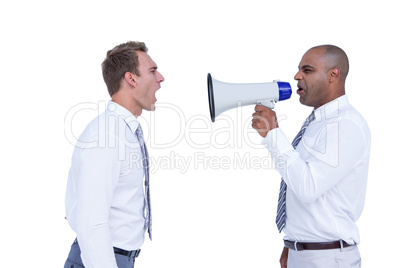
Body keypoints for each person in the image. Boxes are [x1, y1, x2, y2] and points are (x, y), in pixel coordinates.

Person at [252, 45, 371, 267]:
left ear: (333, 74)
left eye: (307, 70)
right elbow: (302, 185)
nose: (297, 76)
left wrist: (274, 135)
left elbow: (308, 187)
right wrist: (293, 243)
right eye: (299, 69)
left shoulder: (346, 125)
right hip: (307, 254)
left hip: (327, 258)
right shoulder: (318, 123)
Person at [64, 41, 165, 268]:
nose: (160, 78)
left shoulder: (121, 131)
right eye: (152, 71)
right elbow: (92, 224)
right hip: (100, 259)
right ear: (131, 79)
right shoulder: (106, 137)